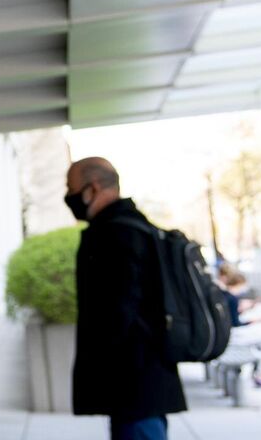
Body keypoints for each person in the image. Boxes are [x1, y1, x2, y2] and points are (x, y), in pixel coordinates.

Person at [65, 157, 185, 440]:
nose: (68, 197)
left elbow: (117, 310)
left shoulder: (114, 233)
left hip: (132, 382)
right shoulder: (137, 226)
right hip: (143, 380)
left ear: (91, 189)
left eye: (70, 188)